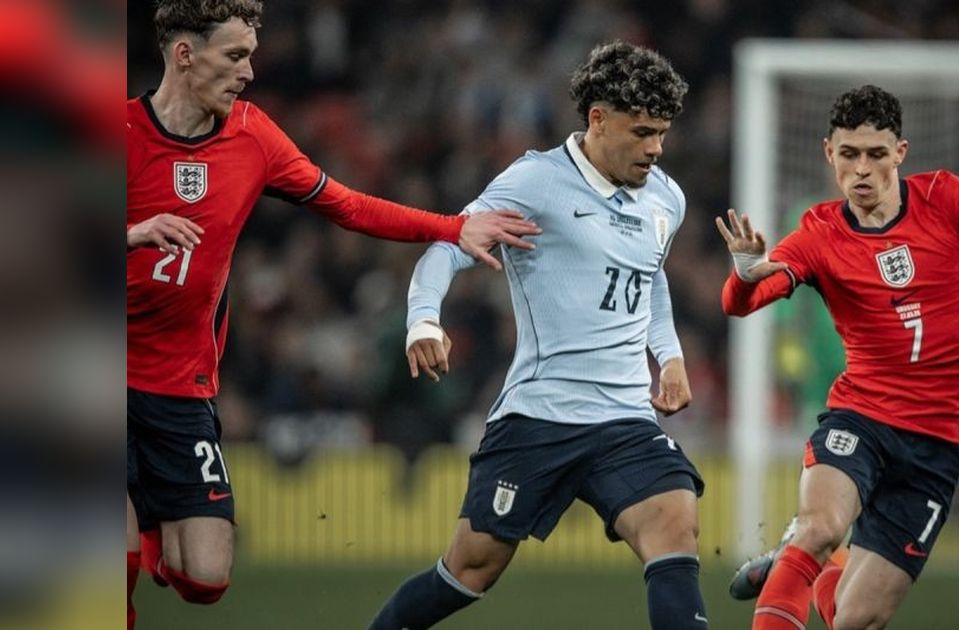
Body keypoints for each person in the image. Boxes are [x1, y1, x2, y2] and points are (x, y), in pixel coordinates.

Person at [125, 2, 540, 628]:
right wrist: (131, 233)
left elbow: (347, 204)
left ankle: (151, 523)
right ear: (184, 55)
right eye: (235, 56)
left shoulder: (252, 136)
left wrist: (454, 228)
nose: (249, 73)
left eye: (251, 57)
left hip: (180, 388)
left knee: (204, 578)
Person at [368, 41, 708, 630]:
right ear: (598, 119)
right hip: (540, 417)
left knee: (674, 525)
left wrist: (670, 356)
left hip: (625, 419)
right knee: (471, 570)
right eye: (643, 131)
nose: (656, 148)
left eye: (663, 133)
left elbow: (648, 276)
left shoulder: (665, 198)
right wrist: (423, 318)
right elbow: (453, 242)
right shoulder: (536, 182)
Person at [716, 85, 959, 630]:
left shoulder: (949, 199)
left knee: (854, 619)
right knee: (819, 528)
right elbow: (743, 303)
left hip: (937, 444)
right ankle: (801, 555)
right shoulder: (818, 234)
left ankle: (795, 567)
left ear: (900, 153)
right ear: (828, 153)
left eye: (876, 154)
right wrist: (743, 278)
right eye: (849, 154)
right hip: (862, 419)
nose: (862, 169)